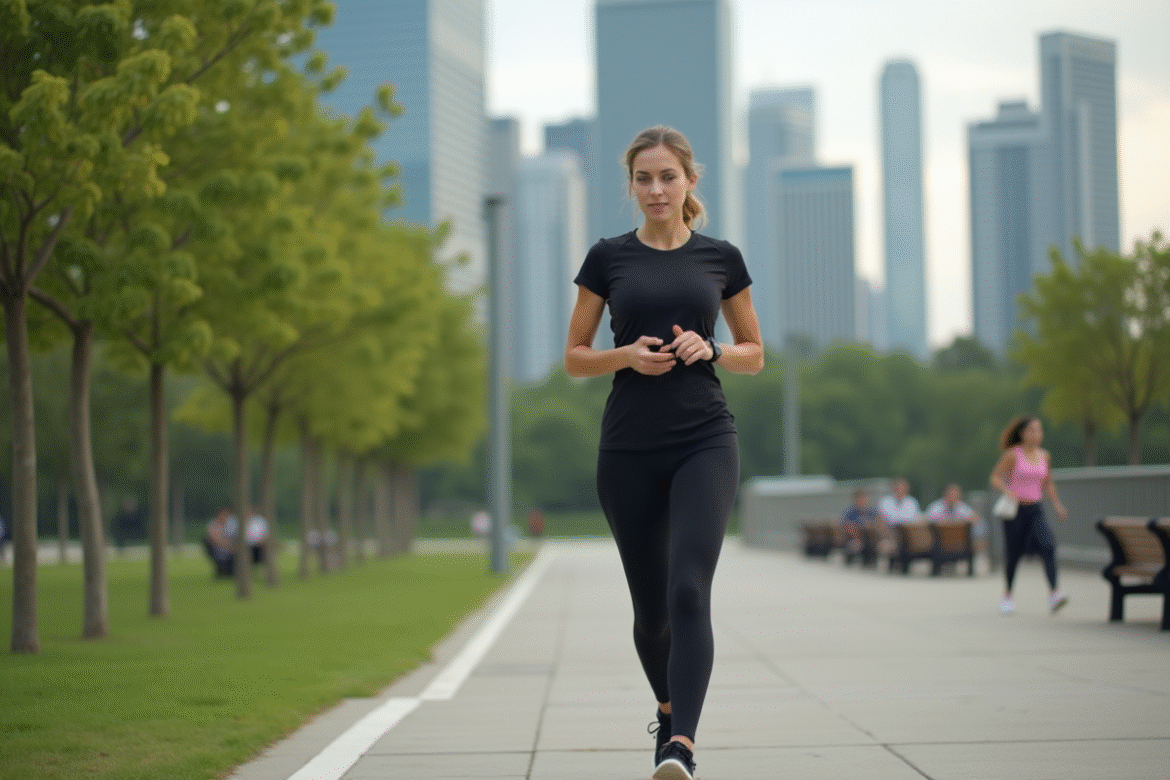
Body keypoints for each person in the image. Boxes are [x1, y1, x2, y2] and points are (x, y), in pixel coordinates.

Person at [564, 125, 763, 780]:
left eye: (667, 177)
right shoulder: (607, 258)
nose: (656, 189)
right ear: (631, 186)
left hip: (705, 438)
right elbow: (574, 357)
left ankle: (683, 745)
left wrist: (713, 350)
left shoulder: (721, 258)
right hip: (627, 448)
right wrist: (627, 356)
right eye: (644, 179)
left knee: (687, 592)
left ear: (689, 182)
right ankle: (667, 708)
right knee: (651, 612)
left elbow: (754, 353)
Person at [989, 415, 1069, 615]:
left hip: (1036, 508)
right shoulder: (1012, 455)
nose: (1036, 434)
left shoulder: (1044, 456)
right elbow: (995, 477)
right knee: (1014, 553)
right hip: (1015, 510)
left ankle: (1054, 593)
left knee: (1048, 545)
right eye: (1031, 430)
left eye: (1039, 430)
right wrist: (1008, 491)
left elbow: (1047, 483)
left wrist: (1057, 505)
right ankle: (1007, 595)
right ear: (1022, 433)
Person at [840, 489, 879, 564]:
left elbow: (877, 525)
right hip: (855, 538)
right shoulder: (849, 513)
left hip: (870, 539)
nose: (862, 502)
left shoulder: (872, 512)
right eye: (860, 499)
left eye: (864, 499)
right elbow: (846, 525)